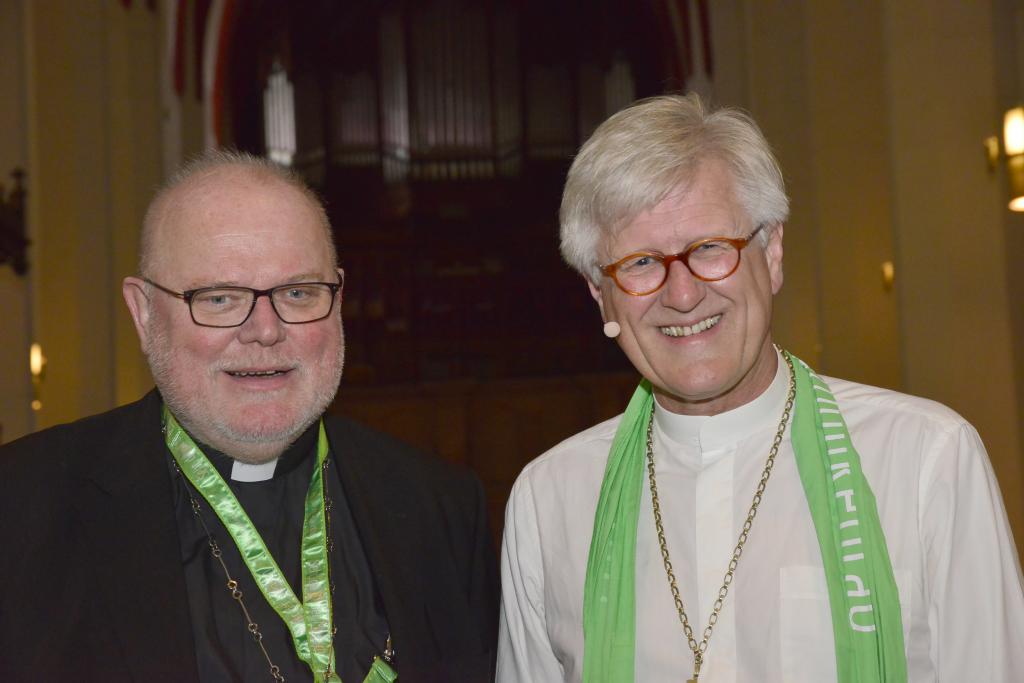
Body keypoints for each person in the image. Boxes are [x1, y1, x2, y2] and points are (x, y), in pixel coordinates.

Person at [497, 94, 1024, 682]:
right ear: (600, 294)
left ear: (771, 253)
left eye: (710, 249)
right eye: (641, 263)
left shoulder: (927, 459)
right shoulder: (549, 501)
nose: (682, 294)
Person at [0, 150, 498, 682]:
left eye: (299, 292)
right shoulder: (22, 509)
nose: (264, 329)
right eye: (218, 298)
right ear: (144, 315)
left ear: (339, 300)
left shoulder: (440, 508)